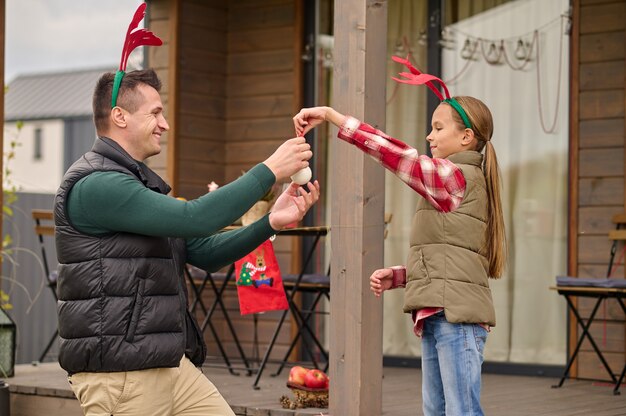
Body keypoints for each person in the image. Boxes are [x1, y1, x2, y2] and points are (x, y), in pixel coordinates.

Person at [55, 68, 320, 416]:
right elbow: (194, 218)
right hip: (121, 374)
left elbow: (203, 252)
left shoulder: (136, 184)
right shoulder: (97, 185)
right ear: (119, 116)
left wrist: (270, 222)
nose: (164, 123)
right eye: (155, 113)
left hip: (168, 365)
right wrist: (271, 169)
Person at [293, 94, 506, 415]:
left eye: (438, 128)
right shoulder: (455, 182)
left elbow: (397, 155)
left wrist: (333, 117)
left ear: (466, 137)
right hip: (440, 314)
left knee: (461, 411)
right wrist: (400, 275)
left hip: (457, 319)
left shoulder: (456, 177)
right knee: (435, 410)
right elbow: (451, 254)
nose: (429, 136)